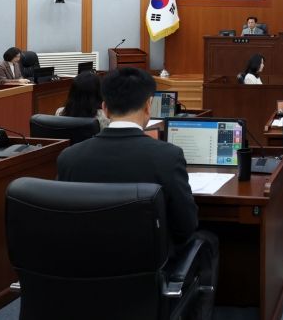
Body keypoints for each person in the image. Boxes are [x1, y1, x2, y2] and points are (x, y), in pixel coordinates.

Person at [57, 67, 218, 320]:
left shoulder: (69, 158)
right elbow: (187, 226)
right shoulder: (167, 156)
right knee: (208, 239)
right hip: (147, 278)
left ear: (105, 108)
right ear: (148, 105)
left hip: (83, 273)